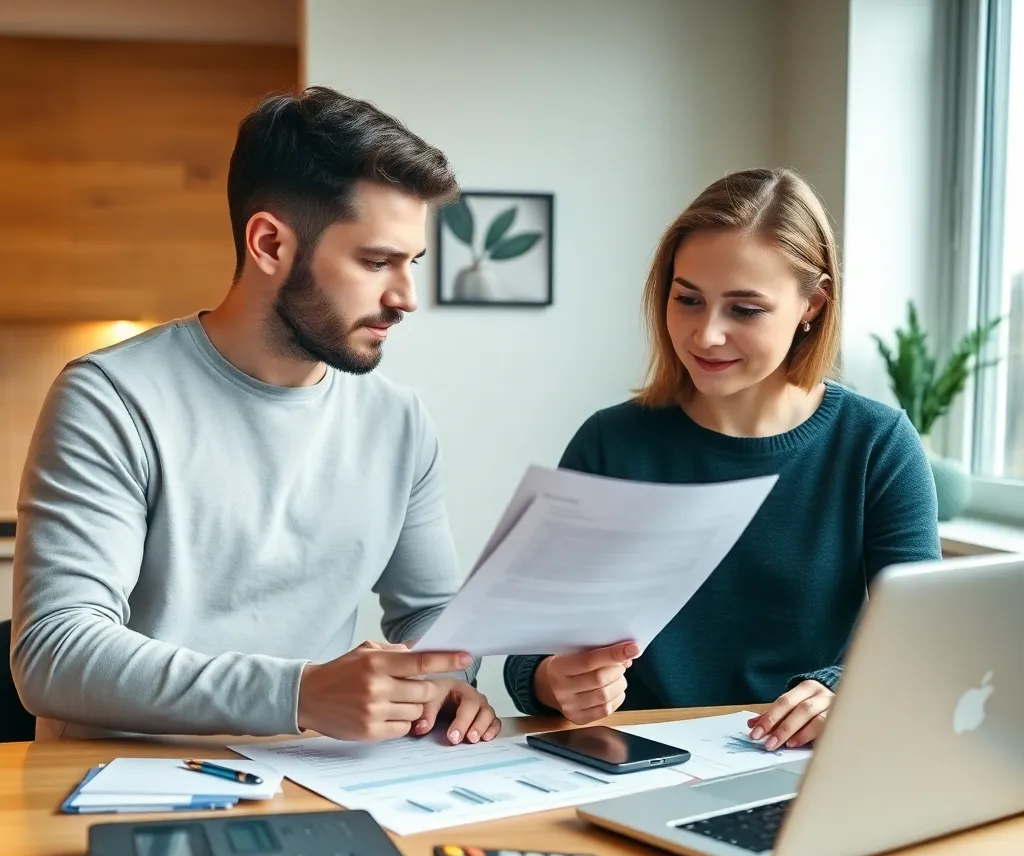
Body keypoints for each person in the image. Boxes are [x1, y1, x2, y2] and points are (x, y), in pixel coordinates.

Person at [12, 86, 500, 745]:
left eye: (411, 262)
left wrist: (448, 678)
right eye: (376, 261)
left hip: (320, 778)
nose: (407, 297)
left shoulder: (399, 421)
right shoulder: (111, 398)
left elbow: (430, 614)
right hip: (125, 786)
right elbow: (53, 652)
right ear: (270, 244)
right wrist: (297, 693)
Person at [504, 168, 940, 750]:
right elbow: (526, 648)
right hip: (636, 756)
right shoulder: (611, 441)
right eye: (688, 300)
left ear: (812, 303)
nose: (706, 335)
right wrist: (552, 680)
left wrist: (841, 690)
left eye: (745, 309)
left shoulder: (876, 443)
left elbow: (919, 639)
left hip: (796, 761)